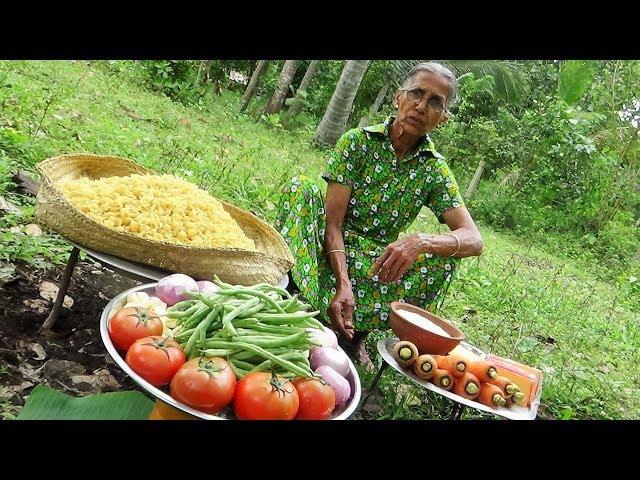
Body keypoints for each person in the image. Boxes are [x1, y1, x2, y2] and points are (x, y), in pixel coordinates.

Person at [275, 62, 483, 369]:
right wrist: (342, 282)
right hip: (328, 243)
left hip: (372, 262)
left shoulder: (434, 170)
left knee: (447, 257)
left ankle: (355, 331)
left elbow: (473, 239)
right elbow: (333, 223)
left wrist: (421, 242)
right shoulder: (358, 142)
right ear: (399, 98)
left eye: (435, 102)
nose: (421, 106)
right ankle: (298, 300)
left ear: (442, 118)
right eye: (416, 93)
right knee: (300, 189)